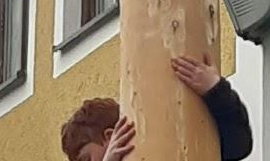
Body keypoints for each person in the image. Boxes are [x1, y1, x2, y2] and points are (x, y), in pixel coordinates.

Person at [60, 53, 253, 161]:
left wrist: (215, 89)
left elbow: (238, 146)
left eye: (86, 160)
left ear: (110, 137)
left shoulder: (164, 143)